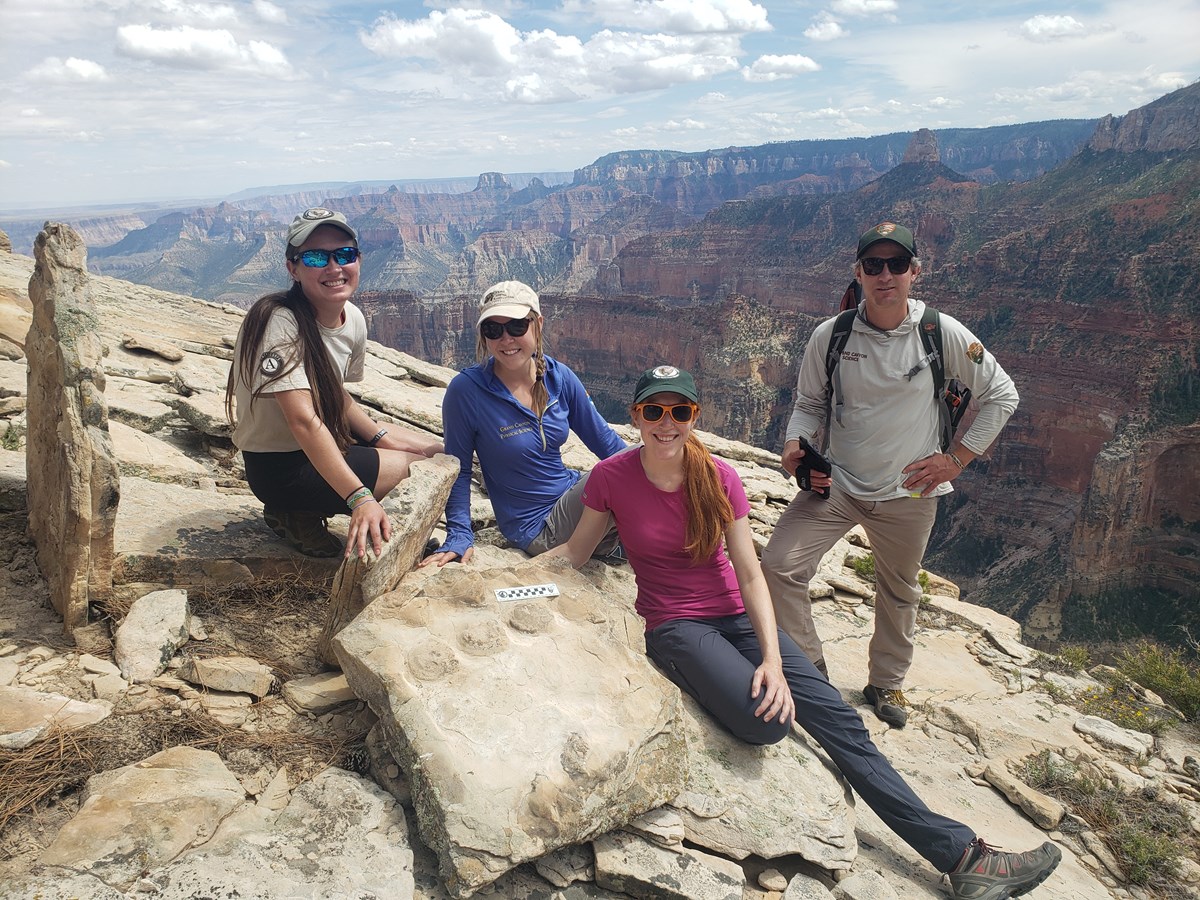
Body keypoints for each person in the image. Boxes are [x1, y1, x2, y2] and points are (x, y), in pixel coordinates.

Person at [546, 365, 1060, 900]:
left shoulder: (718, 476)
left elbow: (750, 574)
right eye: (654, 411)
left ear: (694, 416)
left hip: (739, 619)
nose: (666, 423)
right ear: (636, 417)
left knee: (839, 718)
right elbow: (575, 554)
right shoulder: (611, 477)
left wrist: (772, 661)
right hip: (675, 625)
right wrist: (508, 582)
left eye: (680, 411)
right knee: (767, 721)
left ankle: (962, 857)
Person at [761, 222, 1020, 728]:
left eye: (897, 264)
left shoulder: (941, 333)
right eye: (873, 265)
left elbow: (1002, 394)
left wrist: (956, 460)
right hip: (837, 484)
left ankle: (887, 682)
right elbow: (809, 404)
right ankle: (810, 671)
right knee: (779, 565)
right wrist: (795, 444)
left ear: (915, 273)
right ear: (858, 272)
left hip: (909, 491)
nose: (885, 275)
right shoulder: (831, 336)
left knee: (899, 590)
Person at [226, 207, 442, 560]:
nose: (333, 267)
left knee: (438, 453)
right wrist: (360, 497)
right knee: (420, 471)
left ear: (358, 259)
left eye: (344, 254)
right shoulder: (278, 323)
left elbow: (334, 394)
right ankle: (296, 511)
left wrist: (381, 438)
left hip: (325, 438)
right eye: (315, 257)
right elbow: (302, 420)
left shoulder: (351, 317)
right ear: (293, 268)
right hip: (281, 467)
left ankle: (315, 509)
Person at [421, 281, 626, 567]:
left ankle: (618, 543)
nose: (506, 339)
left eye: (517, 326)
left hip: (571, 496)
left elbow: (606, 442)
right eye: (493, 329)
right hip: (538, 527)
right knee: (623, 473)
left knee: (647, 461)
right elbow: (459, 468)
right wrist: (459, 533)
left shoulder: (558, 377)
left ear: (538, 324)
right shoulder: (466, 391)